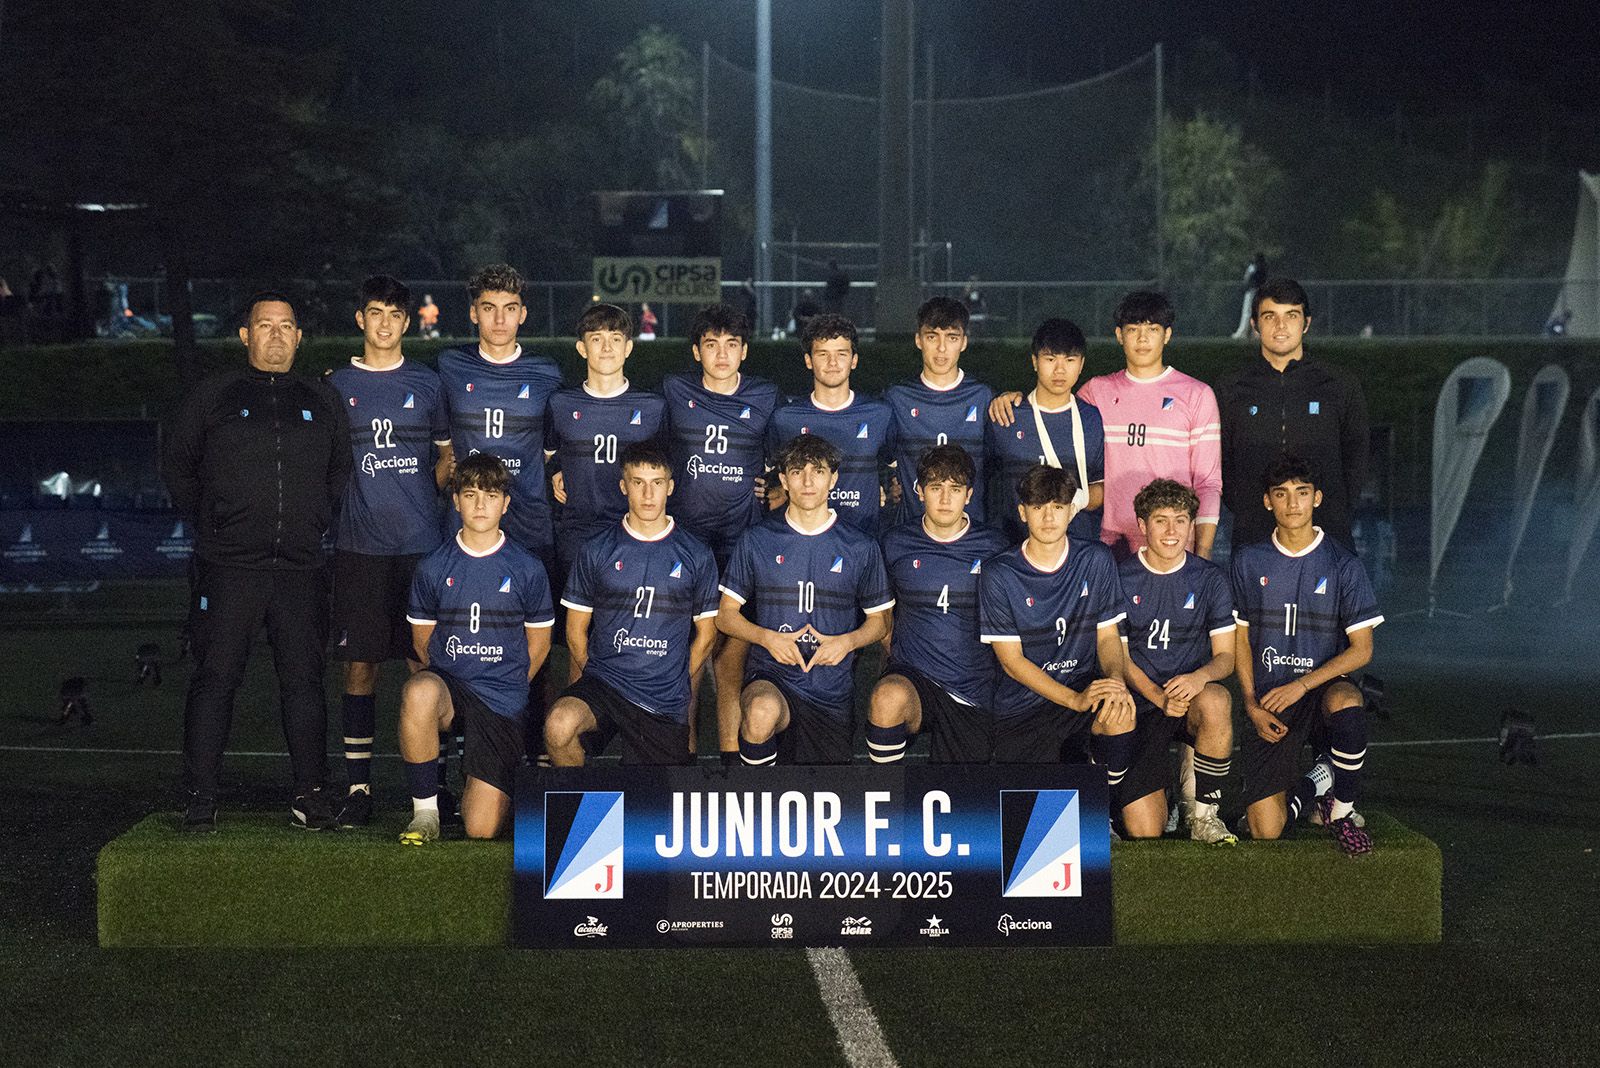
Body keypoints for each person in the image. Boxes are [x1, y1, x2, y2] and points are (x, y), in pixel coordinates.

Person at [164, 290, 352, 831]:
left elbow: (340, 470)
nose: (275, 334)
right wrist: (216, 519)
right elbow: (178, 466)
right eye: (263, 325)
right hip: (229, 567)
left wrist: (313, 520)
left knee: (304, 682)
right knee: (216, 678)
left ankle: (310, 796)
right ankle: (200, 798)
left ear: (298, 336)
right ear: (245, 335)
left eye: (285, 325)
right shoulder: (214, 395)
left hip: (299, 568)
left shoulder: (322, 398)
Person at [324, 275, 453, 827]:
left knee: (425, 667)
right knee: (360, 667)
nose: (384, 322)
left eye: (393, 314)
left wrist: (439, 493)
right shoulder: (334, 385)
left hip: (421, 549)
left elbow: (446, 460)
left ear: (407, 322)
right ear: (361, 319)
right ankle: (358, 787)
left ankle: (432, 787)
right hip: (359, 550)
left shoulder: (427, 385)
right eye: (374, 312)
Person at [435, 264, 564, 760]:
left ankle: (530, 757)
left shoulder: (547, 373)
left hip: (530, 525)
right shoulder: (450, 366)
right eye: (489, 309)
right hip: (464, 530)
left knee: (533, 642)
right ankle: (454, 761)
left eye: (510, 309)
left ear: (523, 315)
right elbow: (442, 449)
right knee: (462, 638)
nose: (499, 319)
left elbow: (553, 452)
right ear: (473, 313)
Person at [398, 453, 554, 843]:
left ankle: (497, 781)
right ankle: (426, 813)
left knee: (481, 829)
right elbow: (422, 644)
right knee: (419, 691)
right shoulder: (433, 567)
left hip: (500, 698)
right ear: (456, 501)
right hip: (452, 688)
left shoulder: (528, 567)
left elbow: (539, 645)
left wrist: (510, 690)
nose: (480, 505)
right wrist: (448, 681)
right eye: (470, 494)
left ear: (506, 503)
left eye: (490, 495)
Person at [1230, 456, 1383, 855]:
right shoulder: (1248, 561)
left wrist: (1301, 684)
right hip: (1270, 702)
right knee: (1266, 831)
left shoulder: (1342, 563)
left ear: (1317, 498)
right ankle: (1317, 781)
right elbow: (1239, 641)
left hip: (1318, 691)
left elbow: (1362, 649)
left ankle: (1341, 809)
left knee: (1348, 700)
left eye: (1301, 493)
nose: (1292, 504)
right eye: (1281, 494)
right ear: (1268, 502)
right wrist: (1250, 703)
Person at [717, 435, 893, 765]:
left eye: (818, 471)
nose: (808, 481)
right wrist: (766, 638)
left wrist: (847, 642)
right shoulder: (758, 539)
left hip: (831, 692)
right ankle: (756, 809)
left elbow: (879, 623)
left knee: (827, 789)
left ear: (834, 479)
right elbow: (725, 616)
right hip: (773, 677)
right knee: (760, 711)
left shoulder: (860, 546)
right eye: (798, 471)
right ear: (783, 479)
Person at [544, 442, 719, 766]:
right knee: (559, 725)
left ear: (670, 487)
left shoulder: (695, 554)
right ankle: (587, 811)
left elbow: (706, 635)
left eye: (656, 483)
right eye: (638, 483)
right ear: (624, 486)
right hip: (605, 685)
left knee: (653, 807)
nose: (648, 494)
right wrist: (596, 674)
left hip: (662, 697)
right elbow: (575, 632)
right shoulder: (597, 550)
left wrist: (677, 680)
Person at [662, 304, 780, 764]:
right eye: (711, 345)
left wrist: (772, 486)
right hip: (687, 546)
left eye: (731, 344)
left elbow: (784, 457)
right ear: (697, 352)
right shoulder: (674, 392)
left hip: (740, 544)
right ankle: (682, 762)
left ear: (744, 351)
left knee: (730, 659)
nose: (722, 354)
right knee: (685, 657)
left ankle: (734, 762)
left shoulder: (766, 397)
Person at [978, 465, 1136, 780]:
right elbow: (1011, 663)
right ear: (1023, 513)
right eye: (1038, 508)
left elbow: (1108, 638)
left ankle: (1100, 809)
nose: (1049, 518)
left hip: (1081, 692)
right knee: (1032, 818)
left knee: (1120, 711)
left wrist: (1115, 683)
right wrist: (1074, 700)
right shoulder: (999, 573)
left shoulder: (1095, 560)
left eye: (1058, 507)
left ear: (1070, 511)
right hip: (1023, 707)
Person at [1115, 479, 1238, 844]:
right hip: (1142, 702)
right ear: (1142, 525)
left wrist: (1199, 678)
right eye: (1161, 520)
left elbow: (1227, 657)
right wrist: (1158, 697)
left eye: (1181, 520)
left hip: (1188, 701)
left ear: (1191, 525)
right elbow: (1117, 659)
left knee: (1217, 700)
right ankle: (1162, 792)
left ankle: (1203, 815)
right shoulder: (1120, 576)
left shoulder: (1210, 578)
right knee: (1144, 830)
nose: (1172, 531)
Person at [869, 444, 1009, 763]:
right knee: (887, 698)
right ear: (920, 491)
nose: (945, 499)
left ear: (969, 495)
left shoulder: (995, 547)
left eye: (955, 489)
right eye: (936, 488)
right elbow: (883, 616)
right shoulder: (895, 543)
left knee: (958, 799)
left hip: (972, 688)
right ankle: (888, 802)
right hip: (915, 676)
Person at [1220, 278, 1369, 551]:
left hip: (1328, 536)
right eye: (1270, 316)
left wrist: (1334, 507)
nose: (1280, 326)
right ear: (1254, 325)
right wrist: (1248, 505)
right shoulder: (1232, 389)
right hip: (1255, 537)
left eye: (1291, 315)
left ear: (1306, 323)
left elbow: (1356, 455)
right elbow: (1221, 461)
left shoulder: (1339, 384)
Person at [1078, 291, 1221, 560]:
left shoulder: (1197, 395)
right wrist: (1015, 400)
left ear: (1167, 335)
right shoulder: (1096, 392)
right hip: (1111, 542)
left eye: (1152, 329)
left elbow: (1208, 483)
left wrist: (1203, 554)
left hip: (1173, 544)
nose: (1142, 339)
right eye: (1133, 330)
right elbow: (1053, 410)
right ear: (1119, 335)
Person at [546, 303, 667, 591]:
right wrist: (555, 469)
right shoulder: (561, 404)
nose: (606, 348)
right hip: (577, 531)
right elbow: (550, 454)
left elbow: (665, 467)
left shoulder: (652, 407)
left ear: (628, 348)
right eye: (596, 339)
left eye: (615, 339)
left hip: (633, 530)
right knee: (574, 624)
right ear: (581, 348)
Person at [765, 313, 895, 533]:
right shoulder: (785, 418)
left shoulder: (880, 414)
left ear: (854, 360)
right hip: (801, 542)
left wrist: (887, 490)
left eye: (841, 354)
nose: (832, 363)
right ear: (808, 360)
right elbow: (768, 476)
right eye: (823, 354)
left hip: (864, 541)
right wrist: (776, 489)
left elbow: (896, 468)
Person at [985, 317, 1105, 543]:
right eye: (1050, 359)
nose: (1060, 369)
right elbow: (984, 479)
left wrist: (1078, 500)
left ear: (1081, 364)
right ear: (1034, 361)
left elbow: (1103, 485)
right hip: (1014, 548)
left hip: (1077, 547)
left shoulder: (1092, 419)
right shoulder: (1007, 415)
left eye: (1069, 360)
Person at [885, 297, 993, 522]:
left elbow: (997, 470)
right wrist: (888, 484)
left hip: (970, 536)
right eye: (932, 337)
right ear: (918, 340)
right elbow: (878, 458)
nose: (942, 348)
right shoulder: (897, 398)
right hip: (912, 536)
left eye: (952, 338)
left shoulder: (983, 397)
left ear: (963, 342)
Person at [1231, 252, 1268, 339]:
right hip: (1259, 292)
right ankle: (1256, 334)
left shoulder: (1255, 268)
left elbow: (1249, 280)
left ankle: (1243, 333)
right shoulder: (1262, 268)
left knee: (1248, 312)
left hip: (1252, 292)